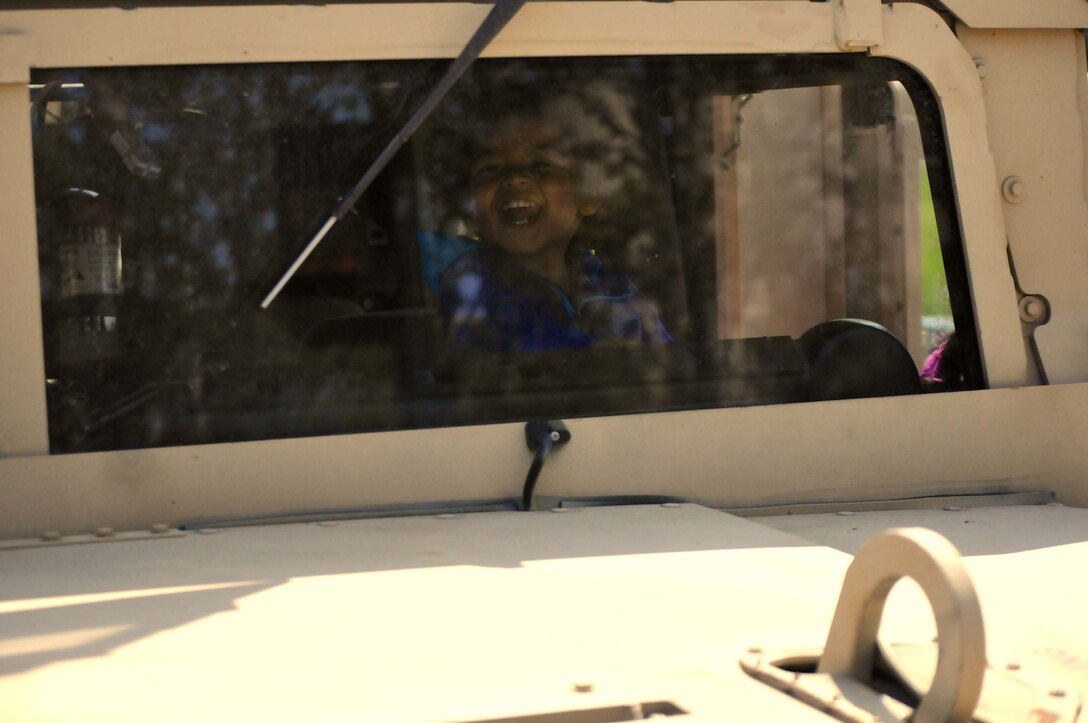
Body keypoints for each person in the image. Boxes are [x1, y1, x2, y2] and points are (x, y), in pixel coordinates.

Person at [437, 113, 670, 354]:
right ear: (470, 204)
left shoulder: (613, 286)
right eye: (490, 169)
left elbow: (670, 364)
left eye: (541, 165)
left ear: (589, 197)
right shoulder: (468, 287)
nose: (514, 178)